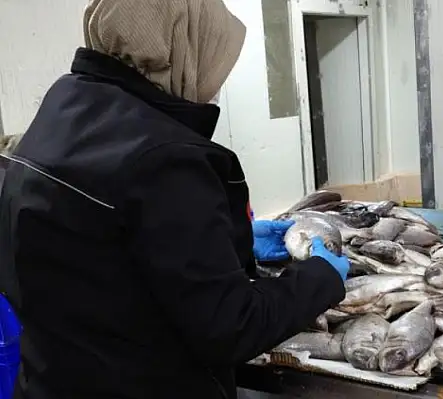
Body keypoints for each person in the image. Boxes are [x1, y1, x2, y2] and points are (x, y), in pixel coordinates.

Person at [0, 1, 350, 398]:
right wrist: (321, 277)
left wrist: (225, 238)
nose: (215, 85)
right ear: (184, 52)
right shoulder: (165, 156)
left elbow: (94, 245)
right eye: (216, 64)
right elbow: (231, 326)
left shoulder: (63, 108)